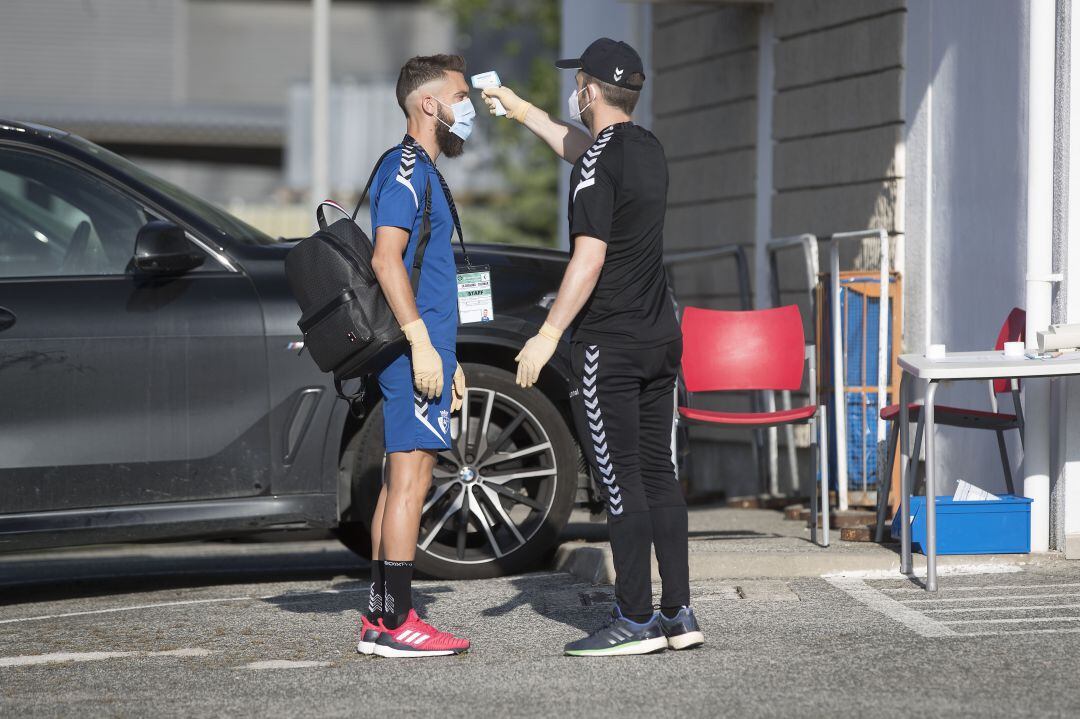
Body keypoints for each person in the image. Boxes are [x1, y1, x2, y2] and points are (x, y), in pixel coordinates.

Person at [483, 38, 704, 656]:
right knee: (661, 474)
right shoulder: (645, 147)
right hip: (661, 339)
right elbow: (580, 149)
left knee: (619, 480)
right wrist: (520, 109)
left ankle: (633, 621)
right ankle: (678, 613)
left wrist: (547, 334)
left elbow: (589, 254)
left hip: (610, 342)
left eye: (576, 83)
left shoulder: (596, 162)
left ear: (588, 89)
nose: (572, 94)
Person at [356, 54, 474, 659]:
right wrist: (423, 344)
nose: (468, 108)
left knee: (398, 480)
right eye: (460, 95)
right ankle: (398, 623)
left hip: (426, 350)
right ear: (428, 103)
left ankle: (380, 619)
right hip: (413, 350)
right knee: (410, 481)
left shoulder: (423, 168)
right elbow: (385, 259)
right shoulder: (406, 170)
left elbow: (425, 268)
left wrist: (446, 358)